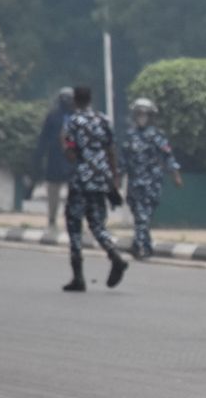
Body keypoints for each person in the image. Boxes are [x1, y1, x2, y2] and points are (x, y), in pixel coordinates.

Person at [60, 86, 128, 292]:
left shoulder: (73, 122)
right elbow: (111, 150)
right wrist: (114, 178)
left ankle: (78, 277)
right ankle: (115, 255)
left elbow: (70, 153)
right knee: (98, 224)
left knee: (74, 225)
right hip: (101, 180)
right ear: (90, 99)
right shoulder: (103, 119)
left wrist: (65, 147)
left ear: (74, 101)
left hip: (81, 180)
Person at [121, 97, 183, 259]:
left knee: (144, 216)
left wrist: (175, 174)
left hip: (151, 183)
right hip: (134, 183)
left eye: (145, 114)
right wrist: (117, 177)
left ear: (150, 117)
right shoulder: (130, 136)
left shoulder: (157, 136)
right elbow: (123, 159)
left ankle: (138, 246)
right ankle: (146, 246)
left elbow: (168, 156)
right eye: (139, 114)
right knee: (139, 216)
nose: (141, 117)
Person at [33, 87, 75, 227]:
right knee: (53, 191)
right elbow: (43, 137)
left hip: (72, 158)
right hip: (55, 157)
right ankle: (52, 219)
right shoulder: (53, 116)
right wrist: (38, 156)